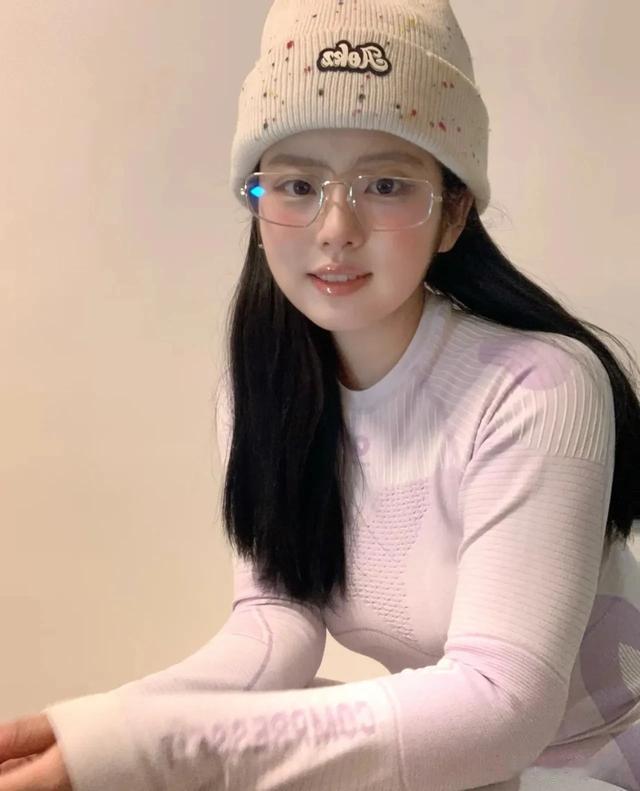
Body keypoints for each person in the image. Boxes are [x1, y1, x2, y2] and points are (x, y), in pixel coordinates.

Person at [1, 1, 639, 789]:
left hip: (601, 763)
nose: (336, 227)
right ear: (256, 204)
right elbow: (276, 629)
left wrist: (148, 750)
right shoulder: (264, 393)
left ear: (452, 213)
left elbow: (500, 706)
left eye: (385, 184)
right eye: (298, 184)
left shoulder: (540, 385)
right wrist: (92, 729)